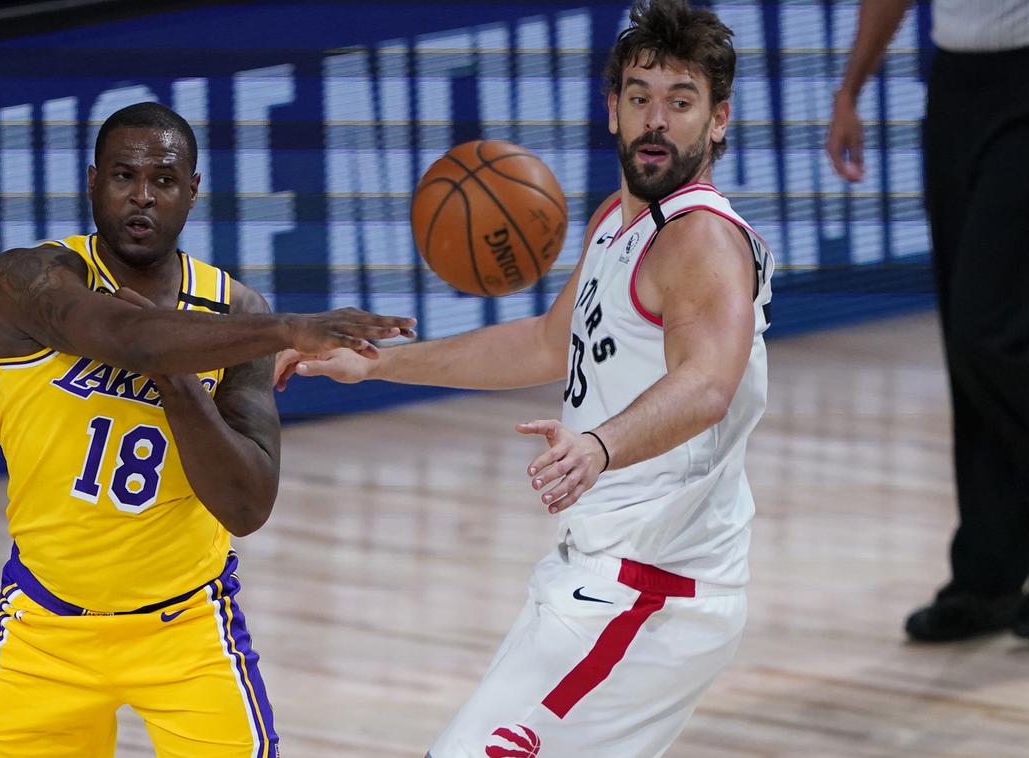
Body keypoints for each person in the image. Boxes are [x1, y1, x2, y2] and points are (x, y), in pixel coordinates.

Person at [277, 1, 772, 754]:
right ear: (612, 110)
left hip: (649, 597)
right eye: (640, 98)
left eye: (681, 102)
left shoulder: (703, 239)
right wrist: (377, 366)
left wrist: (599, 446)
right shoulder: (618, 218)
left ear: (719, 121)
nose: (656, 120)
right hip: (598, 578)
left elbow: (707, 385)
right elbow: (548, 343)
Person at [0, 101, 414, 757]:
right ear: (92, 181)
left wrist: (180, 385)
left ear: (193, 191)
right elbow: (126, 335)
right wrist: (287, 331)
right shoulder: (31, 278)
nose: (142, 197)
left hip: (186, 629)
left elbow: (247, 504)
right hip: (45, 626)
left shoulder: (235, 312)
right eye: (123, 177)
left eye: (165, 180)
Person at [826, 1, 1029, 643]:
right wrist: (849, 90)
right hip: (958, 85)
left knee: (988, 327)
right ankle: (987, 577)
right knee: (965, 345)